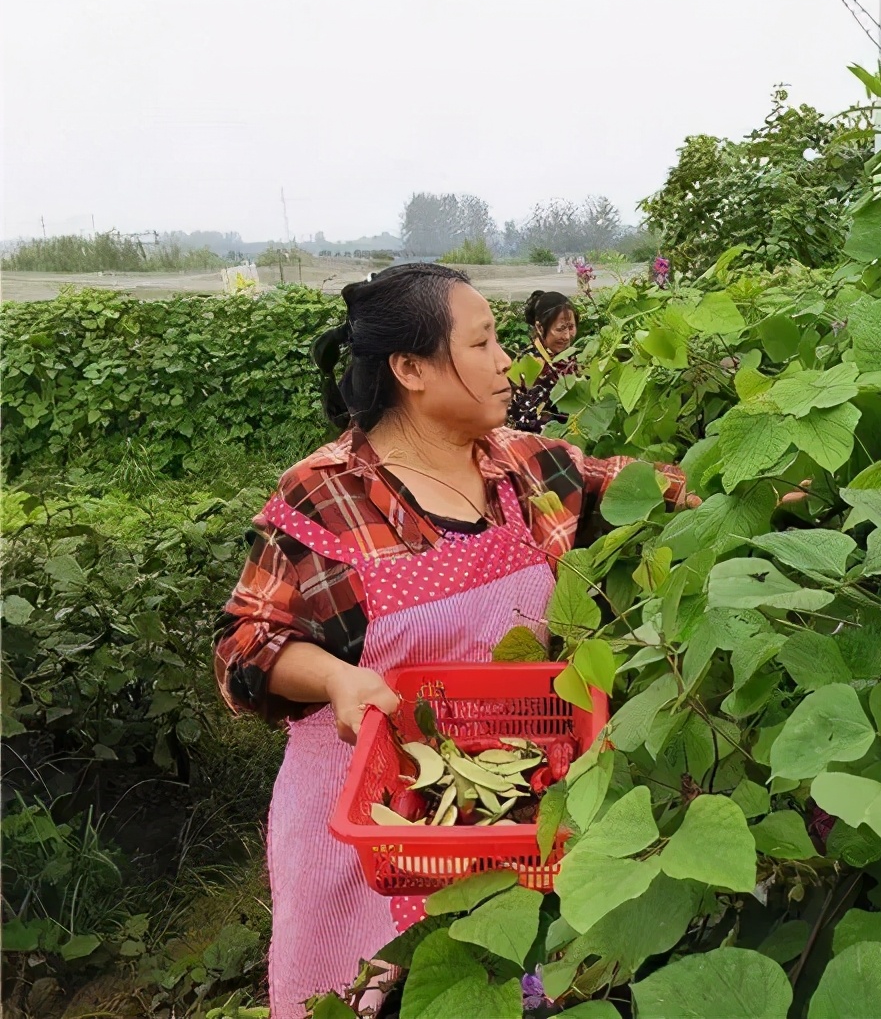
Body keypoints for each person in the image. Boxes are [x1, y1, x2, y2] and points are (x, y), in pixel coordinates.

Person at [212, 264, 692, 1018]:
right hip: (373, 834)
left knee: (507, 986)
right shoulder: (330, 492)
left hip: (510, 814)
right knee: (378, 995)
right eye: (484, 342)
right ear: (410, 369)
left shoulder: (525, 467)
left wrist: (756, 486)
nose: (507, 360)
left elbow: (640, 485)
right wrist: (338, 682)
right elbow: (244, 646)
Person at [506, 289, 580, 433]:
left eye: (571, 327)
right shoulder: (528, 364)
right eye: (560, 329)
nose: (567, 336)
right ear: (540, 327)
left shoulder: (570, 358)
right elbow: (518, 421)